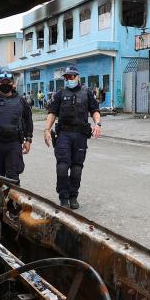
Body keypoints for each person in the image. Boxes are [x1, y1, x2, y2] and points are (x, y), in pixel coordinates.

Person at [43, 65, 101, 209]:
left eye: (71, 76)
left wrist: (98, 124)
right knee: (62, 167)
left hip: (80, 135)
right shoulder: (60, 94)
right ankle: (63, 197)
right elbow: (52, 112)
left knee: (77, 169)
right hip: (63, 134)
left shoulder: (87, 93)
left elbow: (95, 110)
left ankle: (73, 195)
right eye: (67, 77)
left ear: (77, 76)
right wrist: (46, 129)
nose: (69, 79)